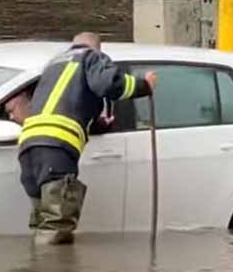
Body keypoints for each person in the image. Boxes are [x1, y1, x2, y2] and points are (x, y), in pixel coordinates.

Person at [17, 32, 157, 245]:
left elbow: (66, 103)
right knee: (56, 228)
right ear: (97, 48)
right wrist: (143, 86)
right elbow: (108, 85)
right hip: (57, 149)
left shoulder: (53, 64)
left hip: (29, 147)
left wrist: (98, 124)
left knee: (42, 223)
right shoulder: (91, 57)